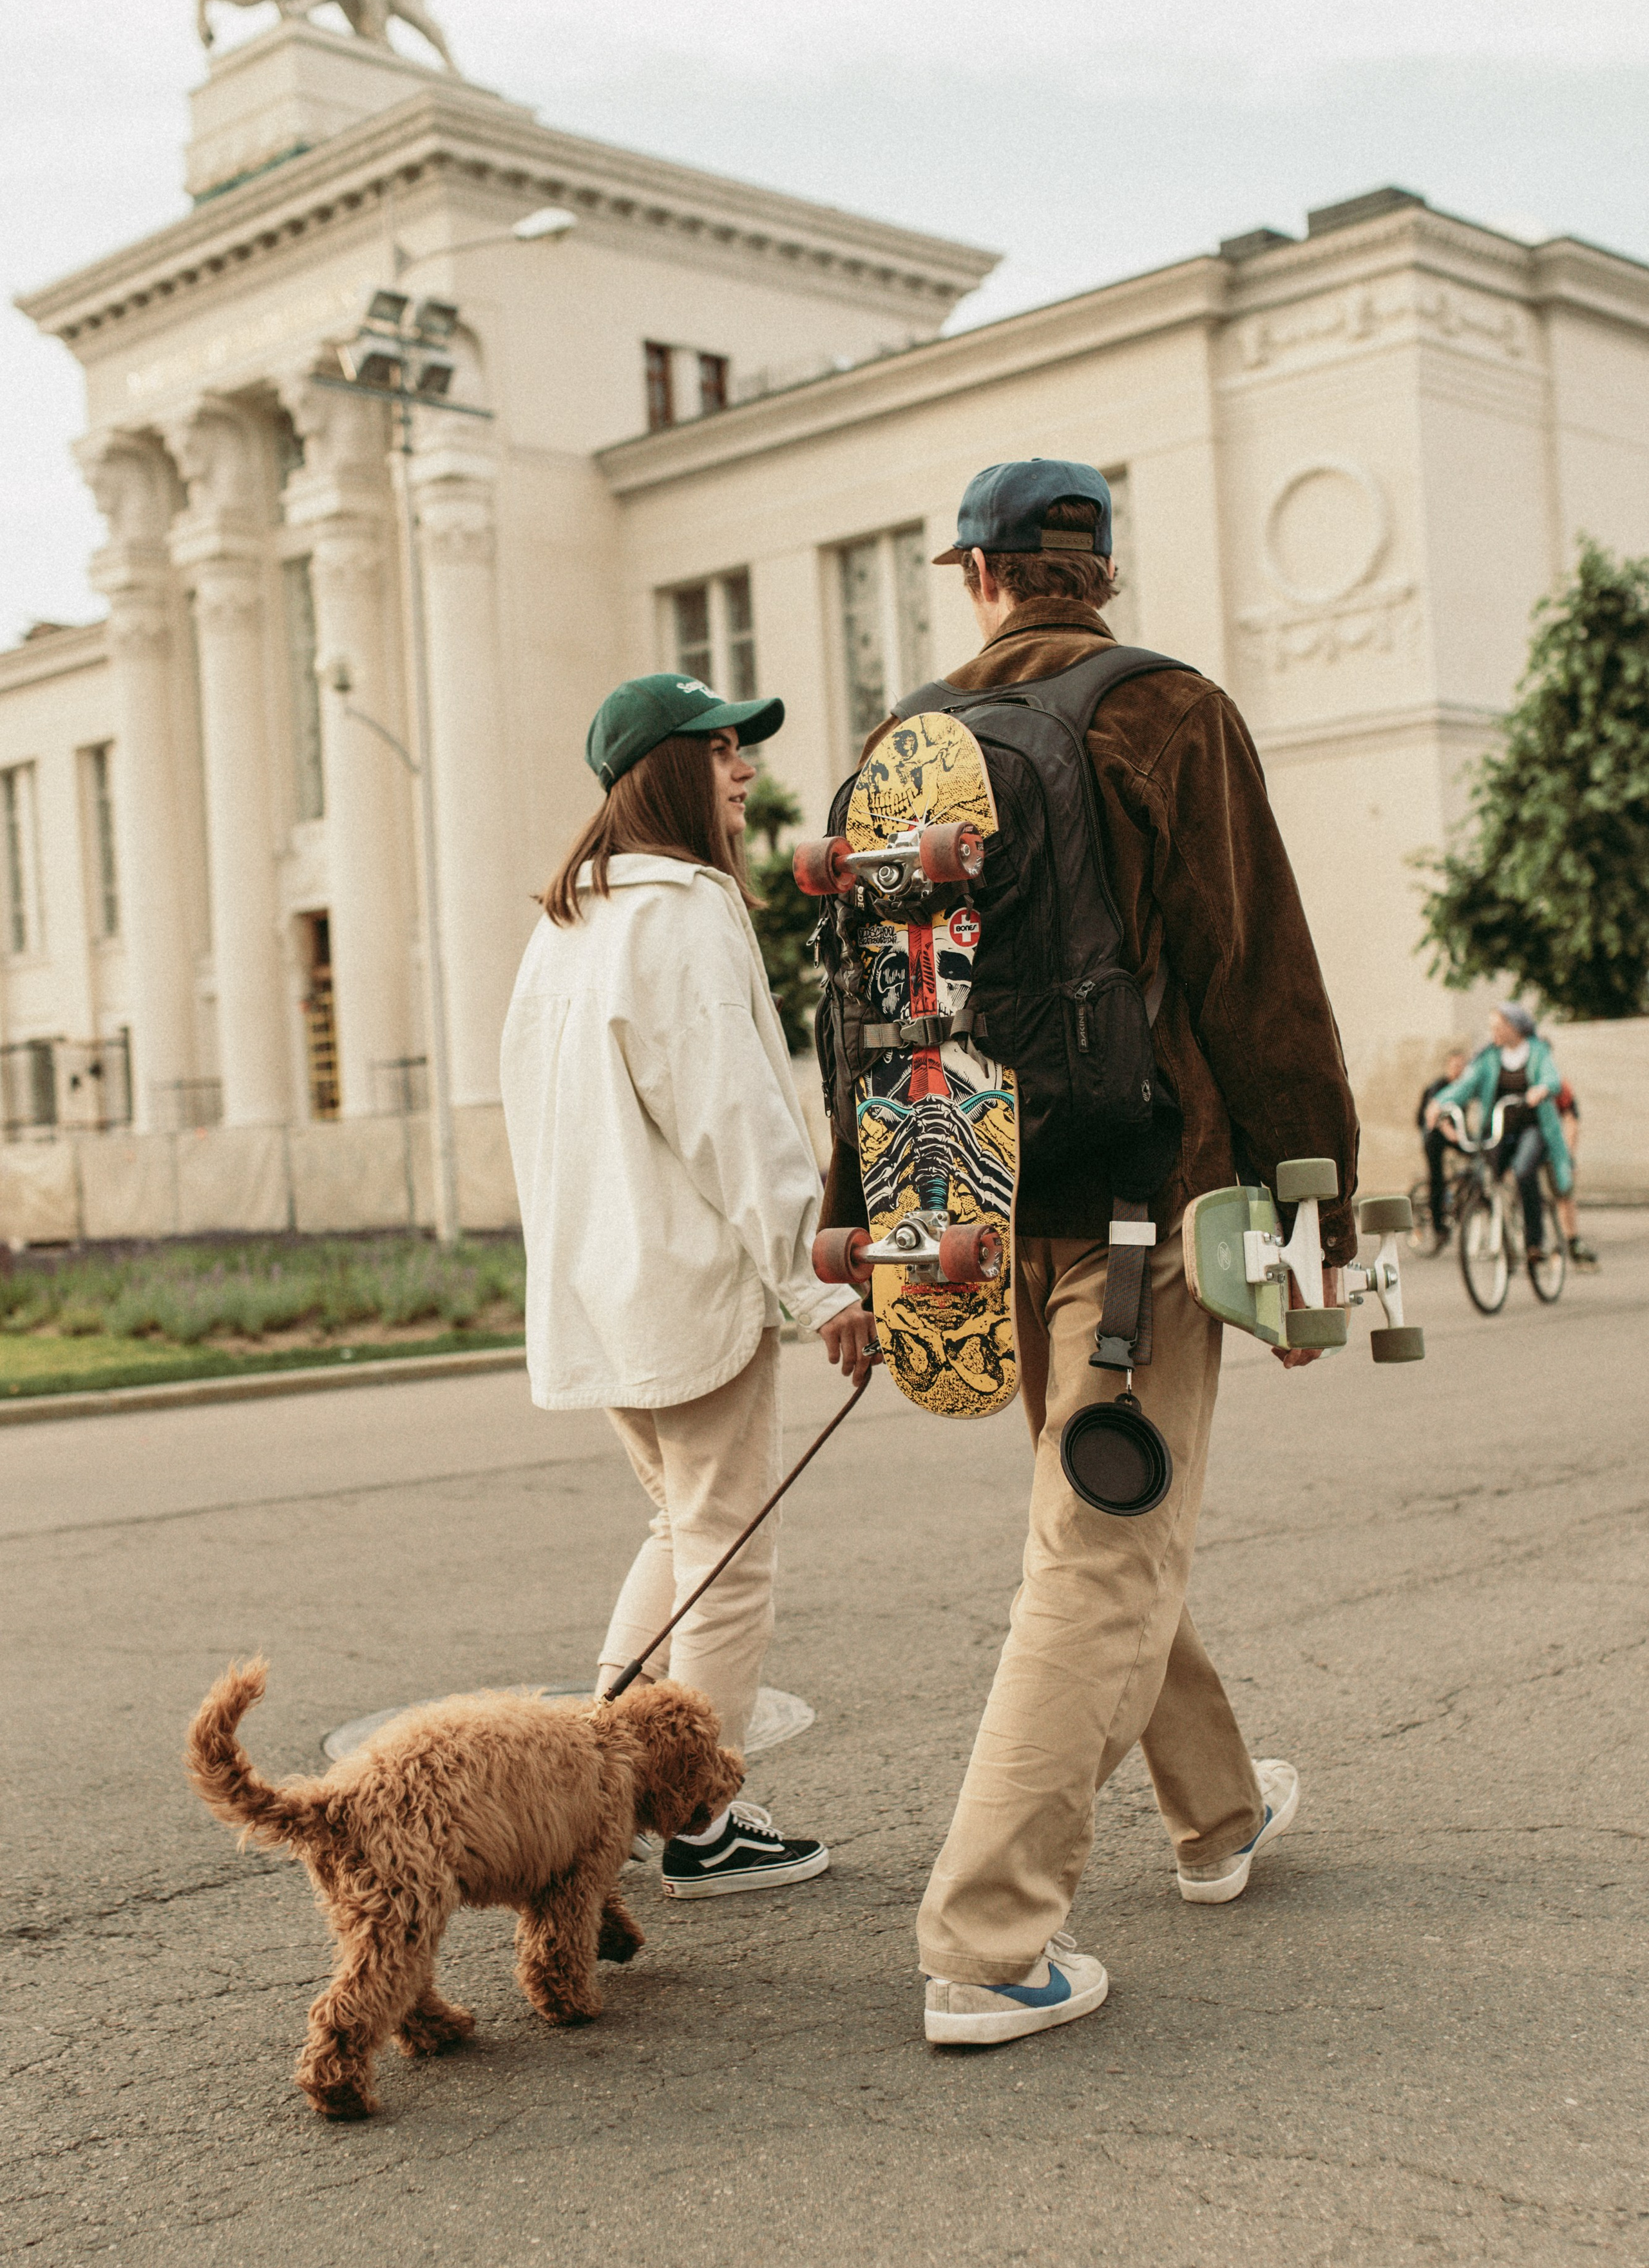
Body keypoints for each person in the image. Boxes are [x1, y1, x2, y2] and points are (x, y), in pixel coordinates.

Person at [819, 459, 1360, 2046]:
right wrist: (1315, 1233)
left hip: (969, 1211)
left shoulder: (903, 745)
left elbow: (869, 1019)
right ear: (1099, 571)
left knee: (1093, 1518)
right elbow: (1259, 981)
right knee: (1106, 1547)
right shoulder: (1168, 713)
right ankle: (987, 1941)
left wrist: (860, 1236)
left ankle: (1214, 1815)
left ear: (972, 574)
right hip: (1146, 1203)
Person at [501, 672, 877, 1899]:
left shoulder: (564, 924)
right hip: (683, 1283)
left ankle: (587, 1799)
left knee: (686, 1532)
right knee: (730, 1548)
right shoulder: (687, 913)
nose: (746, 769)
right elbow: (739, 1121)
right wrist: (822, 1285)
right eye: (721, 750)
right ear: (663, 769)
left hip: (604, 1289)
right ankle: (699, 1820)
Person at [1425, 1003, 1572, 1263]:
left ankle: (1534, 1243)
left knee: (1524, 1170)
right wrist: (1439, 1103)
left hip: (1532, 1127)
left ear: (1512, 1027)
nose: (1493, 1031)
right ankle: (1500, 1228)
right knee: (1485, 1175)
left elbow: (1552, 1078)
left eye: (1497, 1026)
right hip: (1498, 1128)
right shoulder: (1490, 1057)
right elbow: (1466, 1085)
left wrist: (1541, 1090)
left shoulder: (1536, 1052)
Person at [1416, 1047, 1468, 1242]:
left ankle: (1465, 1190)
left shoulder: (1463, 1087)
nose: (1458, 1070)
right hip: (1434, 1136)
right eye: (1455, 1066)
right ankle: (1438, 1228)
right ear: (1448, 1066)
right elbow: (1436, 1116)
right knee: (1437, 1178)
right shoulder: (1439, 1086)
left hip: (1454, 1135)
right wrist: (1451, 1133)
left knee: (1476, 1154)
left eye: (1462, 1066)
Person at [1554, 1081, 1599, 1268]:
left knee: (1564, 1192)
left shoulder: (1557, 1084)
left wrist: (1568, 1158)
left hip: (1552, 1145)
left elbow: (1571, 1121)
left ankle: (1572, 1242)